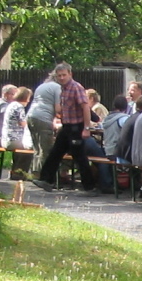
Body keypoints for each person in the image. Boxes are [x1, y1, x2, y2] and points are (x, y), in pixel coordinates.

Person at [32, 63, 98, 195]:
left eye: (64, 75)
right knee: (55, 153)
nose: (62, 78)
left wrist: (86, 128)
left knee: (79, 157)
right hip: (66, 126)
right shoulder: (62, 89)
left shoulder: (76, 87)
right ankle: (46, 180)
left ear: (70, 74)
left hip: (76, 127)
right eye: (59, 76)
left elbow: (85, 107)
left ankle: (90, 187)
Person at [25, 76, 61, 177]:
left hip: (31, 116)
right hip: (44, 119)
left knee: (37, 148)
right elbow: (58, 108)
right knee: (46, 149)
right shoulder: (57, 87)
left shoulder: (41, 86)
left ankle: (34, 174)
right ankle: (43, 177)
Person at [1, 87, 32, 179]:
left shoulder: (11, 105)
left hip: (6, 139)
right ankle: (20, 174)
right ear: (26, 97)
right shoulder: (19, 107)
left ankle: (15, 172)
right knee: (29, 149)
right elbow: (24, 124)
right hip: (13, 139)